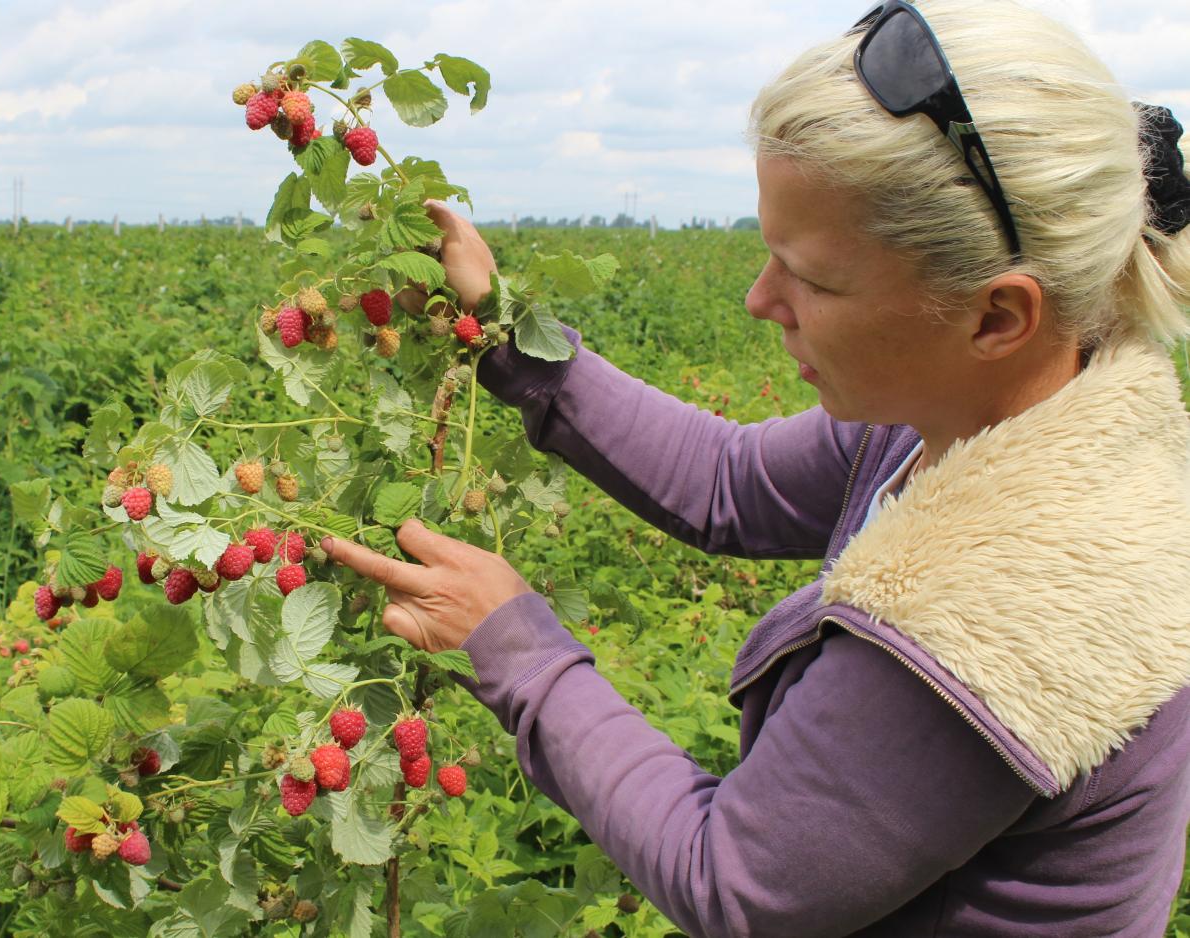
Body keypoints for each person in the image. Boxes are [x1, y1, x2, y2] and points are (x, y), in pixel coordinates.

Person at [321, 0, 1190, 933]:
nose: (758, 299)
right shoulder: (985, 406)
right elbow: (725, 480)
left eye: (811, 278)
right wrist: (504, 330)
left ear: (995, 316)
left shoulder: (1017, 606)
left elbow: (733, 881)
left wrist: (515, 647)